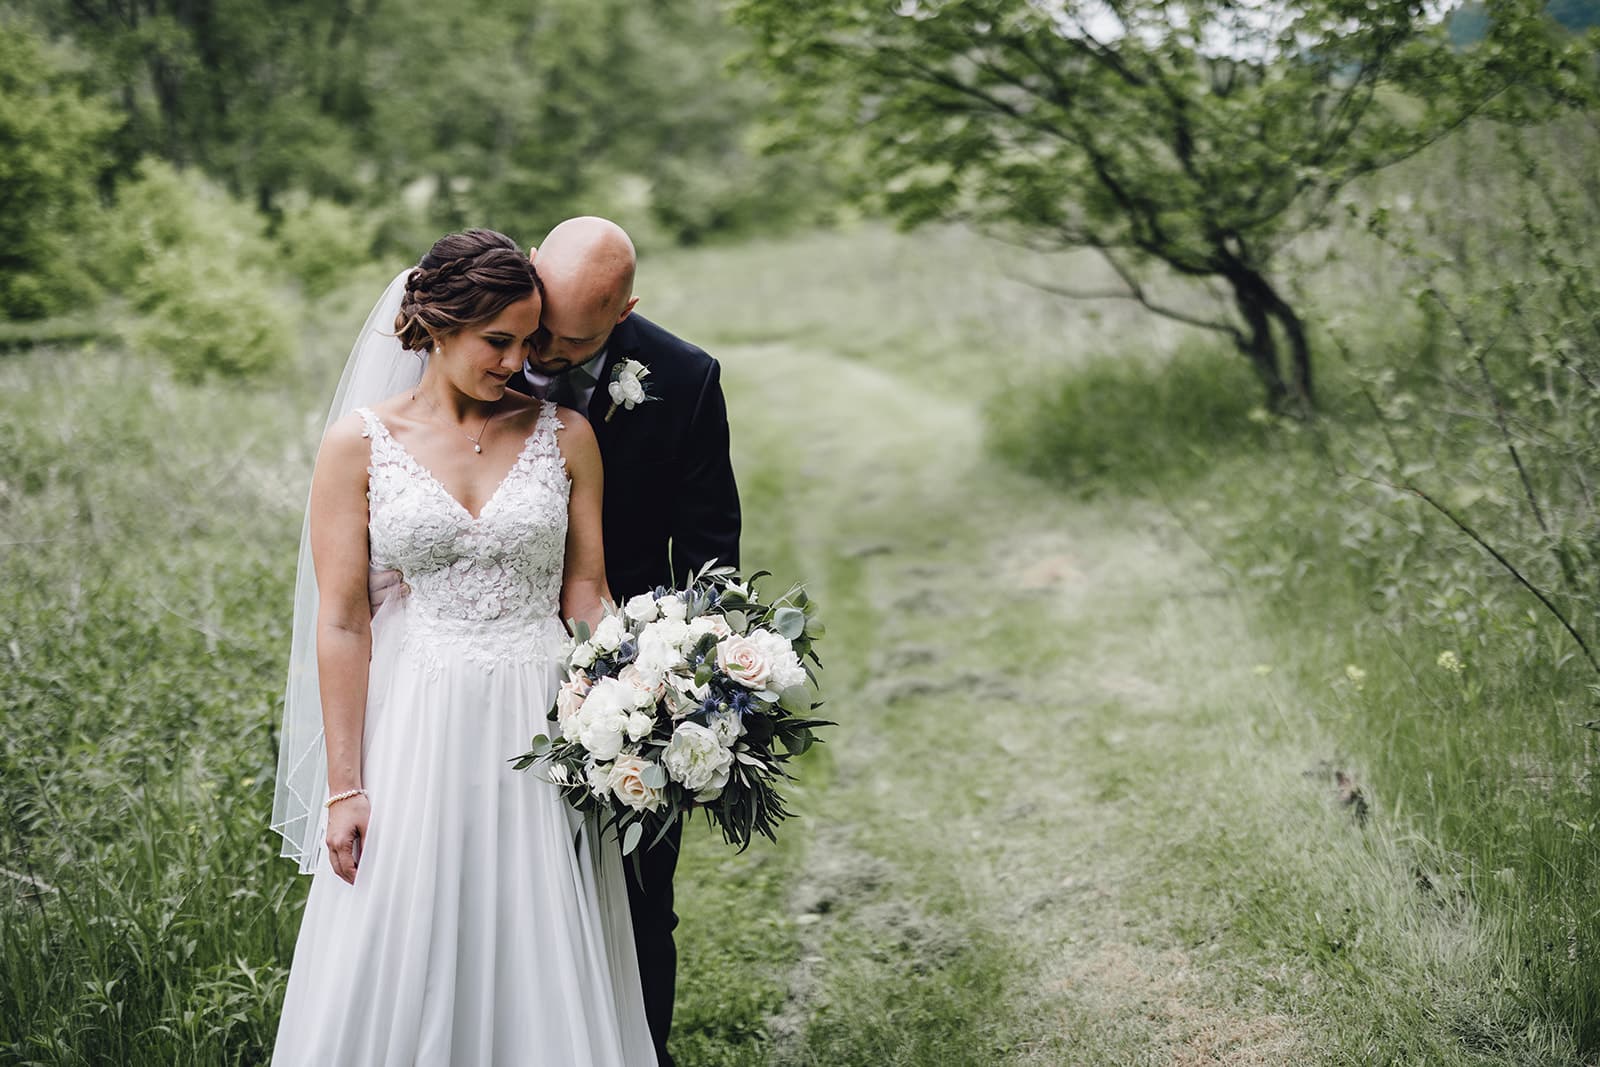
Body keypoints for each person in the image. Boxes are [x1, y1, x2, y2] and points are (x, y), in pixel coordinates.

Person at [270, 229, 656, 1065]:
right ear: (437, 324)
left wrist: (636, 709)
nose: (519, 361)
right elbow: (342, 619)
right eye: (498, 341)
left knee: (538, 931)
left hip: (540, 719)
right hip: (418, 720)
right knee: (413, 935)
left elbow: (586, 593)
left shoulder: (566, 435)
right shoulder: (356, 445)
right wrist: (345, 788)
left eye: (529, 341)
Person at [519, 217, 741, 1067]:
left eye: (569, 342)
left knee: (641, 893)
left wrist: (684, 683)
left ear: (624, 313)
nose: (540, 355)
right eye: (538, 330)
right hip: (491, 655)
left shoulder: (684, 379)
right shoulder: (486, 339)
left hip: (624, 679)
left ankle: (640, 1049)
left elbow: (712, 549)